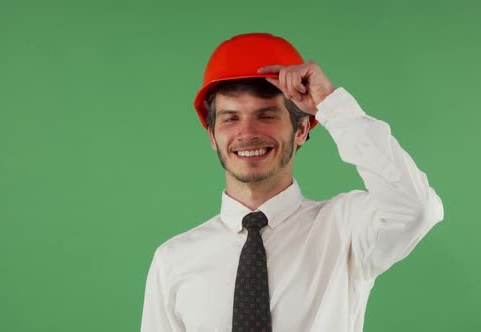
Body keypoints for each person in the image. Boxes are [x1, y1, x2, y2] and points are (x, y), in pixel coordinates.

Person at [140, 32, 444, 332]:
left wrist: (332, 106)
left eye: (267, 115)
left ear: (300, 130)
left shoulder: (346, 229)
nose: (247, 133)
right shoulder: (173, 261)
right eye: (231, 118)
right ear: (212, 136)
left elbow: (417, 210)